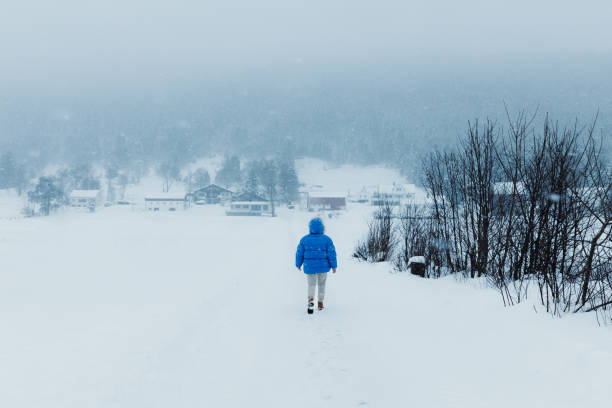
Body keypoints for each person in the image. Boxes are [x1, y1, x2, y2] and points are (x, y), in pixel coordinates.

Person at [295, 217, 337, 314]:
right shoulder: (327, 239)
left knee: (311, 284)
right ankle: (320, 302)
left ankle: (310, 300)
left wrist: (298, 264)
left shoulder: (304, 239)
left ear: (310, 227)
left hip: (310, 267)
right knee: (322, 284)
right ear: (322, 227)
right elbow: (332, 253)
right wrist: (334, 266)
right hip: (323, 266)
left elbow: (299, 253)